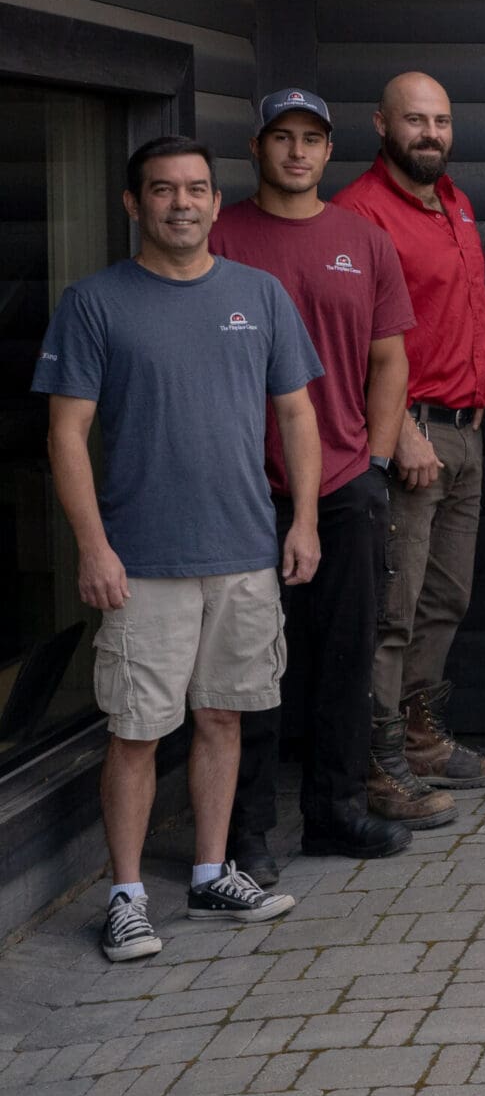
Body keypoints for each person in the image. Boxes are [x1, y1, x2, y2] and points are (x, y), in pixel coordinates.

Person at [35, 136, 309, 961]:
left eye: (195, 189)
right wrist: (93, 546)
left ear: (216, 204)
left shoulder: (259, 294)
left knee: (223, 715)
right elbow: (66, 434)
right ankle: (124, 895)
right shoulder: (94, 302)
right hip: (142, 559)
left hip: (244, 550)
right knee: (138, 729)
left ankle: (209, 869)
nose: (181, 203)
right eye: (162, 190)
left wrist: (303, 522)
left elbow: (297, 413)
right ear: (133, 204)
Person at [210, 89, 431, 884]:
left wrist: (372, 464)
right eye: (282, 137)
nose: (297, 152)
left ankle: (334, 811)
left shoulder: (361, 239)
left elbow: (388, 360)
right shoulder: (221, 234)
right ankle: (246, 831)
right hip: (242, 486)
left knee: (344, 654)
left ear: (329, 150)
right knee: (251, 664)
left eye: (311, 139)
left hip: (343, 481)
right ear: (257, 146)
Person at [335, 72, 485, 804]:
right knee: (393, 609)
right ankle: (376, 761)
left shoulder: (457, 204)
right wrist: (400, 430)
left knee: (447, 597)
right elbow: (352, 341)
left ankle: (419, 736)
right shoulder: (358, 214)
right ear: (382, 123)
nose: (430, 133)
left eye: (440, 120)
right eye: (416, 120)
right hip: (414, 435)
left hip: (466, 433)